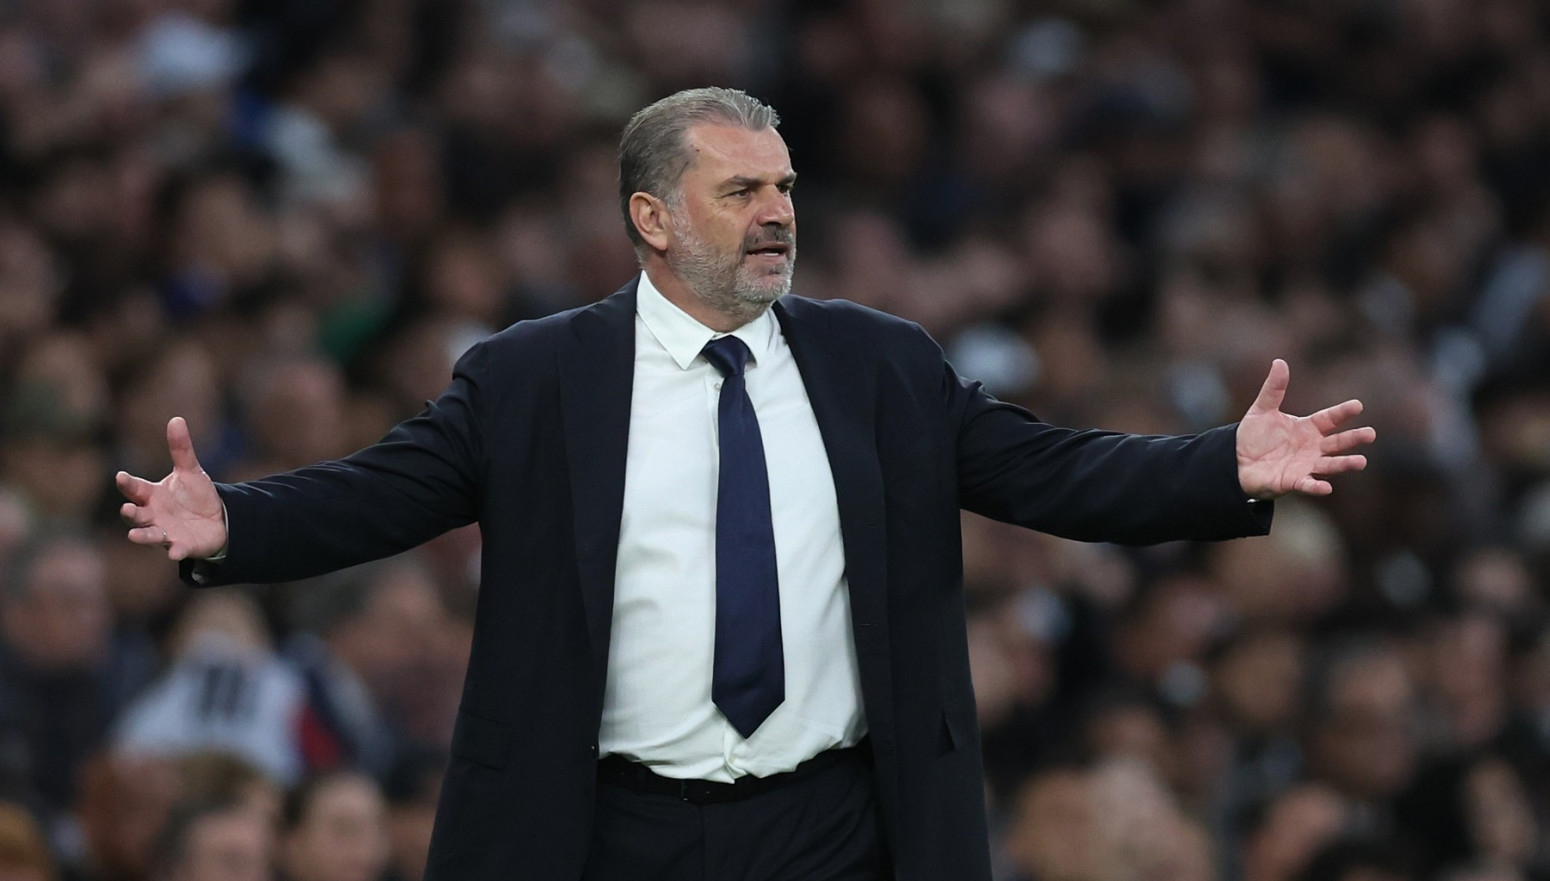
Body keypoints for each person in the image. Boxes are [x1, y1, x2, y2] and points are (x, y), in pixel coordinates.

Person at [115, 87, 1375, 881]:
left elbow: (1048, 471)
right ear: (652, 219)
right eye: (740, 191)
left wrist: (1218, 464)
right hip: (609, 824)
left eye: (782, 187)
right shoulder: (535, 376)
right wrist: (232, 523)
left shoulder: (879, 362)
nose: (776, 212)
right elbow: (384, 492)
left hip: (838, 820)